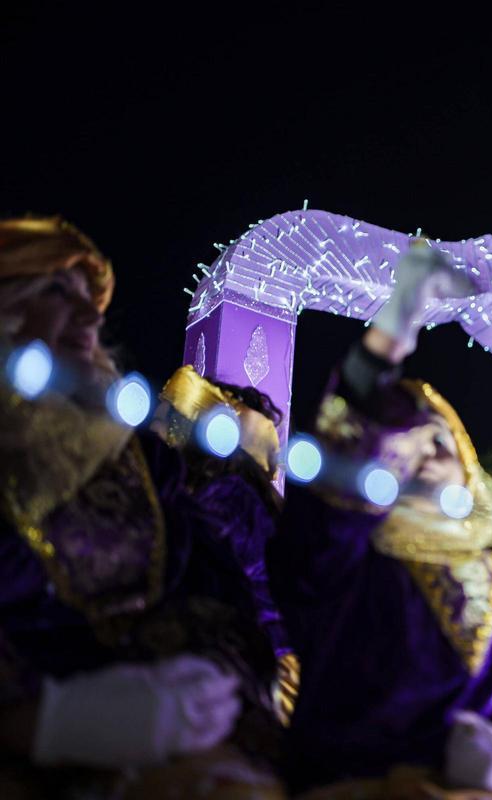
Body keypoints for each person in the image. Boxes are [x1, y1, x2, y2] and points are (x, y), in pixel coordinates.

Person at [266, 241, 492, 798]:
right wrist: (395, 327)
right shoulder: (344, 561)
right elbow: (332, 485)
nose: (431, 453)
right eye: (408, 447)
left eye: (440, 438)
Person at [0, 217, 281, 797]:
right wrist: (43, 722)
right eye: (56, 291)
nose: (91, 317)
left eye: (92, 301)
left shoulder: (145, 463)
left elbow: (220, 594)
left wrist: (210, 680)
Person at [153, 366, 299, 725]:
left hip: (262, 680)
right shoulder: (213, 494)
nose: (150, 430)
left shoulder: (227, 500)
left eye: (161, 418)